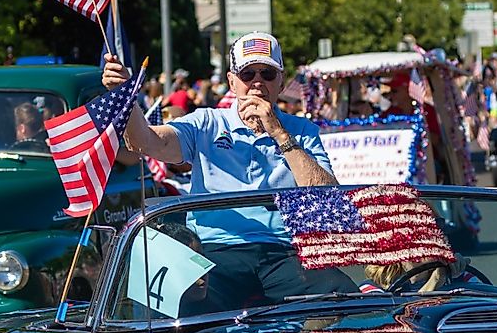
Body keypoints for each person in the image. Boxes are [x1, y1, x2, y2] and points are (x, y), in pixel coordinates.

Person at [102, 31, 353, 309]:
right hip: (217, 250)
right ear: (233, 82)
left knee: (346, 297)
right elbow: (145, 142)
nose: (258, 83)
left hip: (284, 251)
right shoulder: (207, 122)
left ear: (280, 82)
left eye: (267, 74)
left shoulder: (301, 131)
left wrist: (279, 134)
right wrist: (123, 95)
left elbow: (328, 200)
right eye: (248, 75)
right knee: (180, 305)